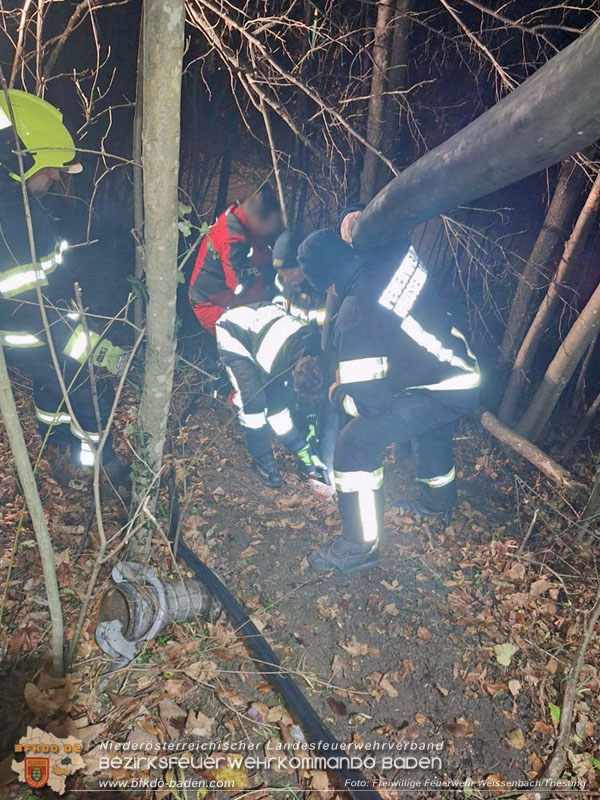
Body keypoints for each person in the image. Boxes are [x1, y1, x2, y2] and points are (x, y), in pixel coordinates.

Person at [298, 230, 480, 573]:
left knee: (354, 443)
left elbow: (372, 407)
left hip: (438, 388)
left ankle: (360, 546)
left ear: (328, 286)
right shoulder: (394, 254)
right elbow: (384, 224)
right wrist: (353, 214)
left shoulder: (354, 319)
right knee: (433, 430)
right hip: (462, 370)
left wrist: (337, 393)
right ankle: (439, 503)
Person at [0, 90, 127, 474]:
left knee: (52, 388)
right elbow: (32, 310)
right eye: (51, 166)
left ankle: (56, 445)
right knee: (88, 390)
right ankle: (101, 466)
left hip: (40, 340)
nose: (57, 175)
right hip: (39, 336)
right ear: (20, 156)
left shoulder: (18, 206)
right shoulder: (13, 220)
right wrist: (96, 350)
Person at [215, 302, 327, 488]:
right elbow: (276, 413)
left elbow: (309, 392)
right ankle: (262, 457)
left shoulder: (317, 348)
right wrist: (300, 448)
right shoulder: (273, 364)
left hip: (262, 319)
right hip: (234, 331)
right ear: (292, 374)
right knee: (253, 402)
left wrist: (310, 431)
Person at [188, 186, 283, 336]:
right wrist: (269, 305)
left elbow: (262, 255)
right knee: (249, 337)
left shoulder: (241, 217)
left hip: (227, 294)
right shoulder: (233, 242)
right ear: (259, 219)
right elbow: (242, 289)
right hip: (211, 304)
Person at [271, 231, 326, 327]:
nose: (286, 280)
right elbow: (279, 300)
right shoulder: (281, 282)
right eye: (281, 275)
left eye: (290, 273)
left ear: (302, 264)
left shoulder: (323, 286)